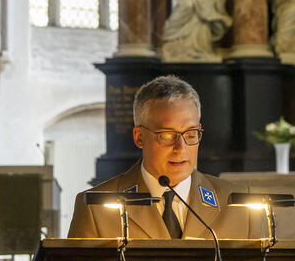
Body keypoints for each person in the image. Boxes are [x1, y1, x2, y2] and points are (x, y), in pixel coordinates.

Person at [68, 76, 258, 239]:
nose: (180, 147)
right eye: (167, 135)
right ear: (139, 137)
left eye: (191, 134)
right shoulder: (95, 208)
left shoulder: (239, 206)